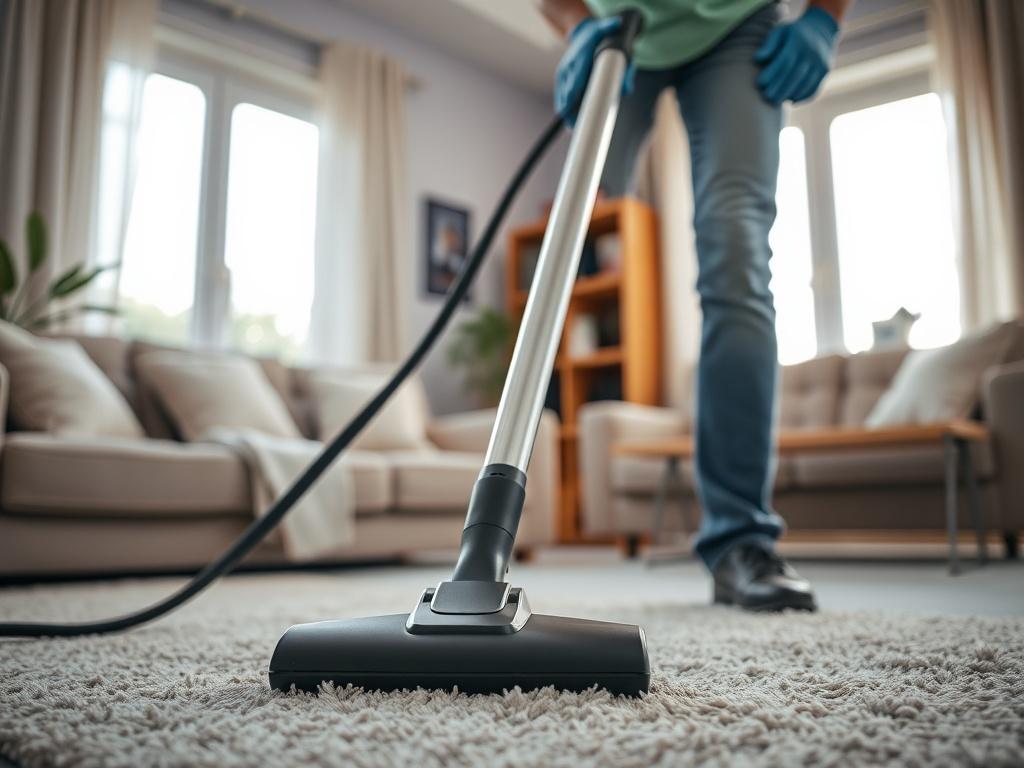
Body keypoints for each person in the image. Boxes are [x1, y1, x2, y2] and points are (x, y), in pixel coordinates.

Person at [541, 0, 853, 611]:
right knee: (573, 224)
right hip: (621, 31)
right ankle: (492, 531)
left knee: (734, 247)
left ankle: (740, 540)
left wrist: (824, 15)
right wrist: (577, 28)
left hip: (737, 28)